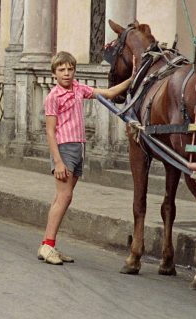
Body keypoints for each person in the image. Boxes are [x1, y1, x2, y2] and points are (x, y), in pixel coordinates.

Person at [38, 51, 133, 265]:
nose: (67, 73)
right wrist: (59, 162)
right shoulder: (53, 96)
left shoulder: (78, 88)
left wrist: (132, 78)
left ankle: (47, 243)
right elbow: (50, 132)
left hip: (78, 147)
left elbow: (108, 94)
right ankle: (48, 246)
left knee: (63, 197)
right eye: (61, 70)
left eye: (70, 69)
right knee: (64, 197)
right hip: (64, 148)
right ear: (54, 73)